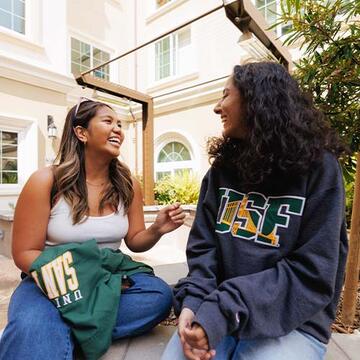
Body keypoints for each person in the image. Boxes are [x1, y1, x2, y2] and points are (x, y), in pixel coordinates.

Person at [162, 62, 348, 360]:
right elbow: (204, 250)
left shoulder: (319, 169)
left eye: (225, 95)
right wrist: (193, 303)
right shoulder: (221, 172)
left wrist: (223, 309)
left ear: (256, 99)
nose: (217, 106)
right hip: (217, 311)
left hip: (293, 323)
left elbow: (312, 273)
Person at [0, 98, 186, 359]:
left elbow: (134, 240)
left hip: (108, 278)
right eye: (108, 121)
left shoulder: (128, 183)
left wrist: (157, 229)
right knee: (30, 327)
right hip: (52, 282)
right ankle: (56, 331)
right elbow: (24, 253)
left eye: (119, 124)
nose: (118, 129)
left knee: (159, 296)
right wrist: (80, 283)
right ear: (81, 132)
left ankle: (56, 332)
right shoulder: (46, 181)